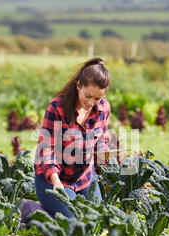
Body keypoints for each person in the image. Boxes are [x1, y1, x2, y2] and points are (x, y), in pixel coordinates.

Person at [33, 57, 111, 219]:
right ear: (78, 86)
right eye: (87, 96)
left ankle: (51, 210)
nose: (91, 103)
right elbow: (46, 150)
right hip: (53, 178)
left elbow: (102, 140)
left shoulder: (104, 108)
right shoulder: (57, 107)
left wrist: (107, 157)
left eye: (97, 98)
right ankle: (34, 210)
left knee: (97, 219)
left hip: (85, 178)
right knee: (74, 221)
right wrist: (56, 182)